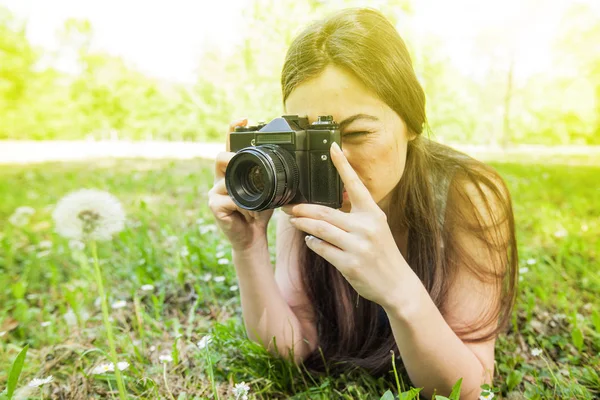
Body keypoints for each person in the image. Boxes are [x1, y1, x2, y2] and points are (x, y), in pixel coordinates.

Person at [207, 7, 517, 399]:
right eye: (312, 140)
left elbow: (469, 388)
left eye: (356, 132)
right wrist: (248, 246)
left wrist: (397, 288)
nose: (332, 159)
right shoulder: (306, 186)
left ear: (410, 121)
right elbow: (289, 348)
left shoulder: (468, 195)